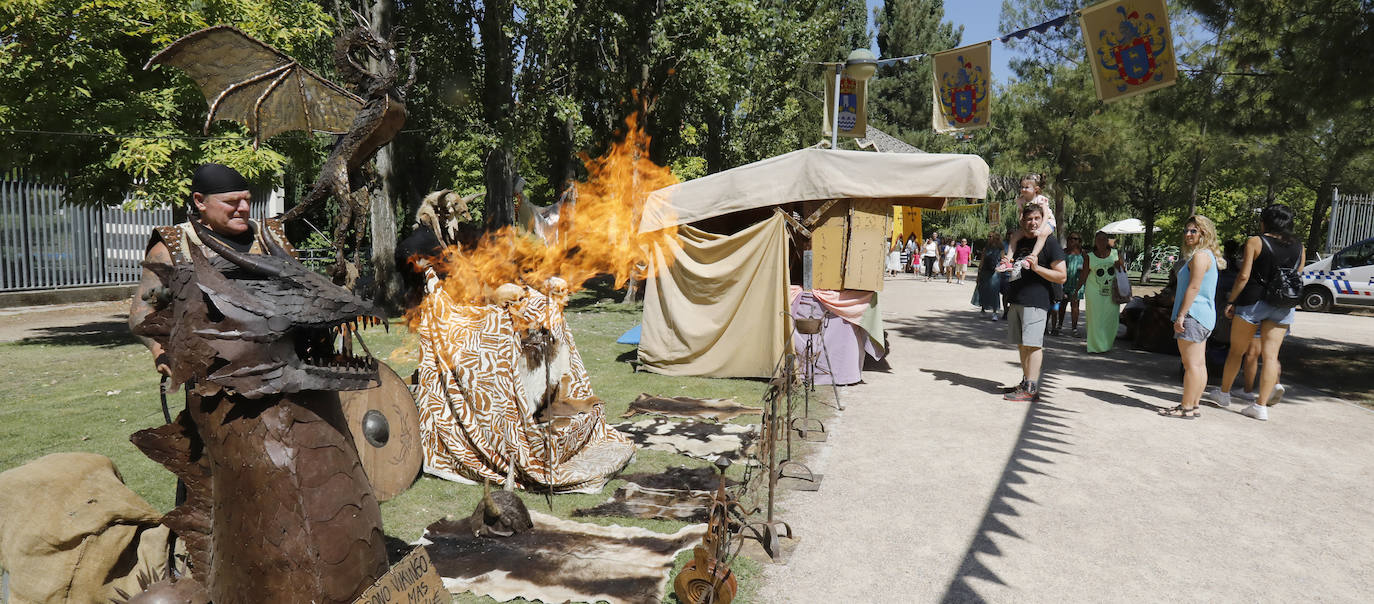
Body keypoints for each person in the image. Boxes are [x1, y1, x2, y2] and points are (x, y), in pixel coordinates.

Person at [129, 164, 296, 375]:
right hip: (212, 371)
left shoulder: (270, 237)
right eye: (231, 202)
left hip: (283, 362)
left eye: (247, 199)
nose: (244, 207)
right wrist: (160, 350)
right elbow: (143, 310)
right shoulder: (174, 247)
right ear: (200, 201)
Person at [1205, 204, 1305, 420]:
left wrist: (1231, 301)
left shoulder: (1256, 241)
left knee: (1236, 351)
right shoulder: (1299, 246)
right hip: (1282, 304)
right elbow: (1297, 273)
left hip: (1253, 301)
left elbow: (1243, 276)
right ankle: (1260, 406)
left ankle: (1223, 394)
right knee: (1271, 356)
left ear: (1265, 221)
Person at [1002, 204, 1067, 402]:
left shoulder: (1049, 243)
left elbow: (1062, 276)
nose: (1033, 223)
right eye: (1029, 219)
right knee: (1022, 345)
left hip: (1036, 302)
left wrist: (1037, 268)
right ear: (1022, 221)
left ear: (1043, 220)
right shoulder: (1019, 240)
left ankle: (1031, 388)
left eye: (1037, 218)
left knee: (1033, 345)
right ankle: (1025, 382)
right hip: (1017, 300)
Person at [1159, 216, 1220, 419]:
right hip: (1204, 315)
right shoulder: (1206, 256)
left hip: (1193, 315)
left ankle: (1186, 407)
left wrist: (1181, 315)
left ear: (1204, 233)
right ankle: (1193, 405)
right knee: (1199, 364)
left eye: (1194, 231)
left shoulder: (1200, 256)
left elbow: (1194, 287)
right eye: (1186, 230)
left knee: (1191, 364)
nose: (1188, 234)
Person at [1000, 174, 1057, 281]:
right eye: (1022, 187)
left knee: (1043, 235)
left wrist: (1040, 229)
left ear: (1036, 189)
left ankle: (1032, 257)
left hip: (1047, 222)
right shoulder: (1021, 201)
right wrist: (1024, 229)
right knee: (1015, 236)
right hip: (1030, 224)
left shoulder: (1040, 199)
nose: (1023, 189)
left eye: (1026, 187)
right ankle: (1008, 259)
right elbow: (1021, 217)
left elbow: (1045, 216)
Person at [1082, 230, 1126, 353]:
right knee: (1094, 318)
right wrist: (1076, 290)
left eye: (1103, 239)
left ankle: (1106, 344)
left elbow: (1123, 271)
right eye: (1098, 239)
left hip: (1112, 291)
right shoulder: (1089, 256)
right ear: (1095, 241)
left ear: (1107, 241)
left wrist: (1119, 265)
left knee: (1110, 317)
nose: (1101, 242)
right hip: (1094, 291)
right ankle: (1094, 345)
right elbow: (1084, 274)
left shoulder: (1115, 254)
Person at [1052, 233, 1086, 336]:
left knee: (1075, 306)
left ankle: (1074, 329)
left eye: (1075, 238)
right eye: (1070, 238)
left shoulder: (1083, 254)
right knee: (1062, 305)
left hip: (1077, 283)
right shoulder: (1063, 252)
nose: (1072, 240)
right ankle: (1059, 326)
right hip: (1064, 282)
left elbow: (1087, 268)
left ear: (1079, 241)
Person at [972, 232, 1003, 318]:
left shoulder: (1000, 249)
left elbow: (1003, 261)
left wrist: (999, 268)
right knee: (983, 289)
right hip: (985, 272)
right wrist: (978, 274)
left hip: (995, 273)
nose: (988, 238)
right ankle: (983, 308)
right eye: (988, 236)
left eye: (990, 236)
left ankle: (994, 312)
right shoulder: (986, 248)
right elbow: (981, 261)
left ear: (996, 237)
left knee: (994, 291)